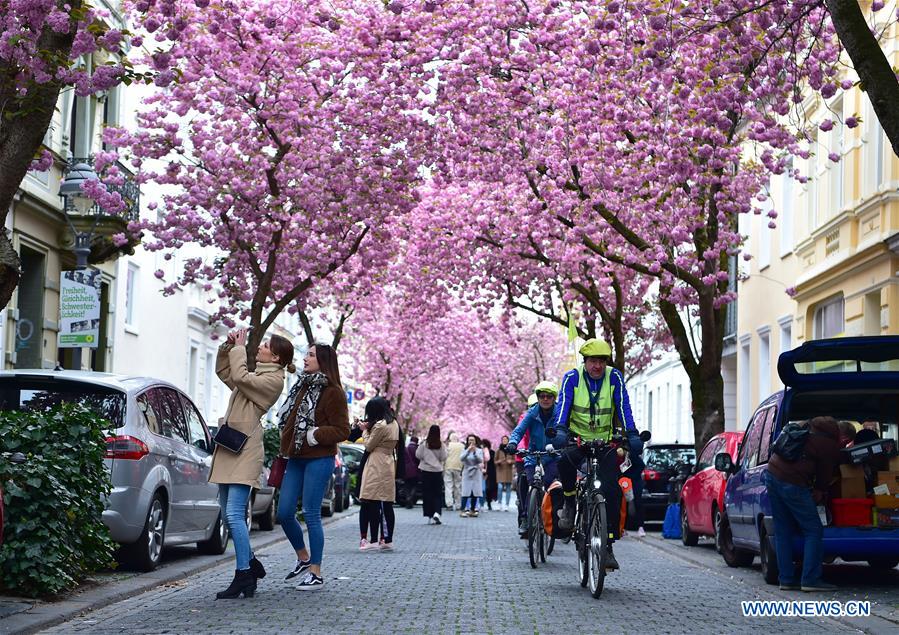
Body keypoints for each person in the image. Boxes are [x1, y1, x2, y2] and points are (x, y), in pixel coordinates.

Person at [211, 328, 292, 599]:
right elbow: (226, 373)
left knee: (234, 513)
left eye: (266, 345)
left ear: (277, 357)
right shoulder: (255, 376)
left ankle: (243, 573)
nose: (261, 346)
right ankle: (251, 564)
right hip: (231, 444)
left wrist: (241, 349)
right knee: (226, 514)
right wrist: (228, 347)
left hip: (245, 449)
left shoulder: (273, 380)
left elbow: (238, 375)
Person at [548, 339, 642, 571]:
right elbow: (563, 405)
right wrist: (560, 429)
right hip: (577, 439)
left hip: (605, 442)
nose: (597, 366)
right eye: (593, 361)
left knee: (611, 489)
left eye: (601, 361)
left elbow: (623, 407)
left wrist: (632, 433)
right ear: (585, 362)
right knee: (565, 462)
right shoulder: (572, 378)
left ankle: (607, 545)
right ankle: (570, 501)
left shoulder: (614, 377)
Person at [276, 343, 350, 590]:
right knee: (284, 512)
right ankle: (303, 558)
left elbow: (343, 430)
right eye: (305, 354)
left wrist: (315, 434)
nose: (305, 358)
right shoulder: (302, 386)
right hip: (296, 457)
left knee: (311, 513)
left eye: (310, 355)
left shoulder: (333, 392)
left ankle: (316, 573)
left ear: (323, 360)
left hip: (319, 458)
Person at [765, 416, 842, 592]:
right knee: (814, 530)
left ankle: (786, 579)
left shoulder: (803, 427)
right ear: (835, 432)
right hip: (793, 483)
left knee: (783, 530)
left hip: (772, 474)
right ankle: (810, 579)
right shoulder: (828, 444)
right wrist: (819, 490)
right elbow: (825, 473)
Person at [506, 382, 560, 536]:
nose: (545, 399)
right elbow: (519, 431)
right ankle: (526, 517)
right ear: (538, 398)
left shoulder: (559, 413)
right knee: (529, 482)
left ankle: (555, 519)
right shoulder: (532, 413)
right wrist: (512, 443)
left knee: (553, 485)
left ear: (554, 398)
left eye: (549, 396)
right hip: (533, 455)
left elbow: (565, 430)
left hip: (553, 455)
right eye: (542, 396)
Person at [358, 397, 401, 551]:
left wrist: (364, 431)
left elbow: (369, 445)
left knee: (373, 500)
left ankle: (375, 540)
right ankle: (387, 539)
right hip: (389, 462)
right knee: (387, 502)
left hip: (376, 462)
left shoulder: (380, 425)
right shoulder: (394, 423)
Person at [417, 424, 448, 524]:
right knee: (437, 494)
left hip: (426, 471)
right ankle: (437, 513)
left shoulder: (425, 444)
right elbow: (444, 457)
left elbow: (418, 455)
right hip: (437, 472)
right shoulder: (441, 445)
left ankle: (429, 515)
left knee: (427, 494)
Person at [459, 434, 484, 517]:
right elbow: (461, 458)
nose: (471, 442)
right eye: (469, 440)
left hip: (476, 472)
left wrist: (475, 453)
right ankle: (462, 510)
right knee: (465, 492)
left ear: (476, 441)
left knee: (475, 492)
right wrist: (468, 451)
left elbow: (480, 460)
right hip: (467, 472)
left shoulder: (479, 450)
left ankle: (472, 510)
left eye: (472, 440)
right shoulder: (464, 449)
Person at [444, 432, 464, 510]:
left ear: (450, 439)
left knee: (448, 486)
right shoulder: (462, 446)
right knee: (458, 486)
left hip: (448, 467)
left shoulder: (448, 445)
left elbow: (445, 456)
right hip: (458, 467)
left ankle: (449, 504)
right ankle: (458, 504)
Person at [495, 435, 515, 512]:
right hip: (500, 471)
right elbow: (495, 461)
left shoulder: (511, 450)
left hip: (508, 471)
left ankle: (507, 505)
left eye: (506, 439)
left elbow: (514, 460)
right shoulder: (498, 450)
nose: (505, 441)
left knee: (508, 488)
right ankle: (499, 503)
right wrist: (499, 461)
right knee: (500, 488)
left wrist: (511, 462)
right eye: (503, 439)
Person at [403, 435, 421, 509]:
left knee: (407, 486)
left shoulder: (406, 448)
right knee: (414, 485)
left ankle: (408, 498)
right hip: (415, 470)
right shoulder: (417, 449)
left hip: (406, 470)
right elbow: (418, 459)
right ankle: (410, 498)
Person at [483, 439, 497, 510]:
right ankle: (482, 502)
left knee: (489, 489)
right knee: (483, 488)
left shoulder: (492, 452)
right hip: (483, 472)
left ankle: (489, 502)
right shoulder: (480, 452)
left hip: (491, 473)